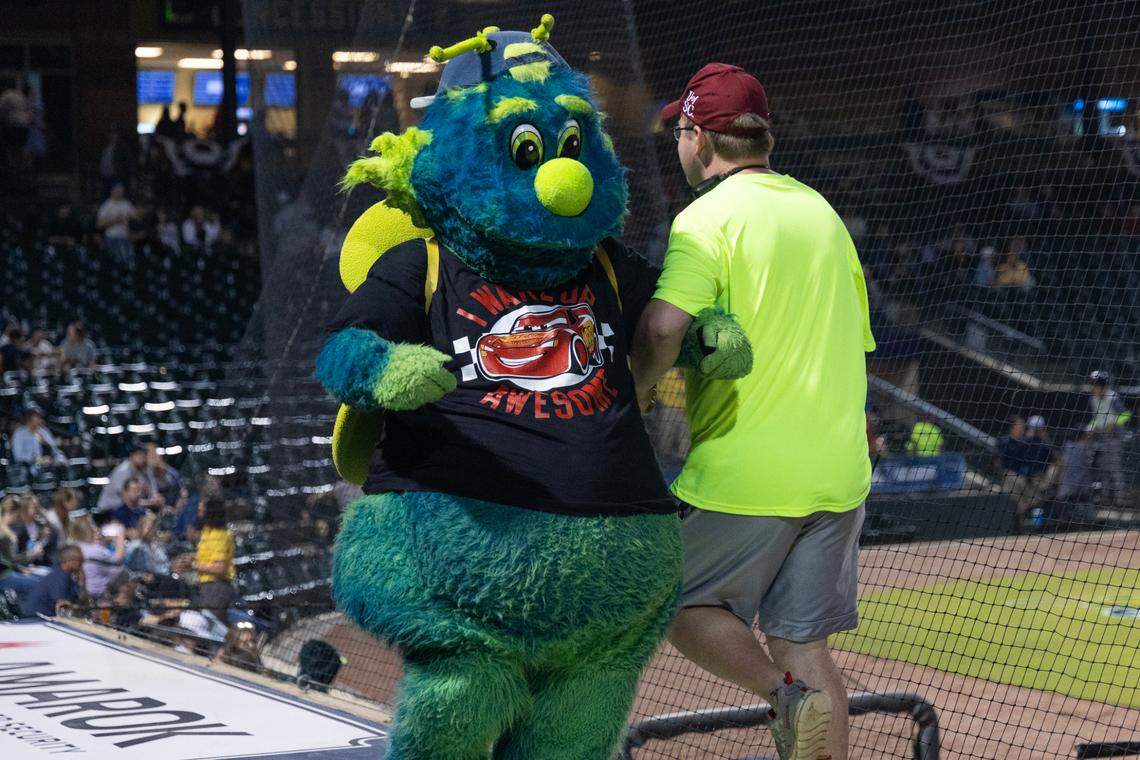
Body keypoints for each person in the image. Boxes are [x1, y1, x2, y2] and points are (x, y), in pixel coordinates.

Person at [634, 63, 876, 760]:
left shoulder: (705, 218)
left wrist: (639, 392)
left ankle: (782, 698)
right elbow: (856, 339)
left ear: (699, 137)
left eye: (679, 133)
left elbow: (660, 326)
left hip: (749, 472)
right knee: (803, 642)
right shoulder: (822, 213)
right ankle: (803, 714)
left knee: (671, 600)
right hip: (839, 470)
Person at [1086, 371, 1130, 506]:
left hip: (1115, 437)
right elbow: (1096, 419)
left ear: (1102, 385)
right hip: (1101, 438)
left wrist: (1114, 423)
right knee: (1103, 468)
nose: (1092, 387)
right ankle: (1105, 497)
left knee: (1115, 468)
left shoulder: (1112, 397)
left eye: (1095, 384)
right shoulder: (1092, 399)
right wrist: (1090, 428)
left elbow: (1126, 414)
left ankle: (1120, 497)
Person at [194, 496, 234, 620]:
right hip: (205, 585)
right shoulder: (206, 531)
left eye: (201, 509)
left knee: (207, 623)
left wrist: (193, 566)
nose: (199, 511)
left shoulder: (220, 534)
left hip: (216, 588)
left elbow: (219, 568)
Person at [69, 513, 124, 600]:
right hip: (98, 594)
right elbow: (119, 559)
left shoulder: (73, 548)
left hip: (79, 592)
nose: (96, 529)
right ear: (88, 530)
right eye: (93, 526)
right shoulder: (96, 550)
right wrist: (120, 537)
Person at [20, 544, 84, 619]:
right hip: (36, 619)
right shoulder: (59, 577)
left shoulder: (64, 575)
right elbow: (62, 603)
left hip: (43, 618)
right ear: (68, 560)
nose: (81, 563)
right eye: (79, 560)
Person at [96, 182, 139, 266]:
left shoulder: (126, 204)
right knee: (118, 262)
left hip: (126, 237)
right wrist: (115, 220)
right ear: (112, 191)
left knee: (129, 262)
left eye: (121, 190)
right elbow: (99, 224)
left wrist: (134, 216)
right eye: (118, 189)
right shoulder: (106, 205)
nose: (120, 191)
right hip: (112, 238)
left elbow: (136, 217)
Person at [97, 444, 148, 511]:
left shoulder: (139, 470)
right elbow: (126, 497)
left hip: (122, 508)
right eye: (139, 455)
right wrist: (147, 503)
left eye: (143, 455)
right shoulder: (123, 470)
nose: (142, 458)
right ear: (131, 456)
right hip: (108, 509)